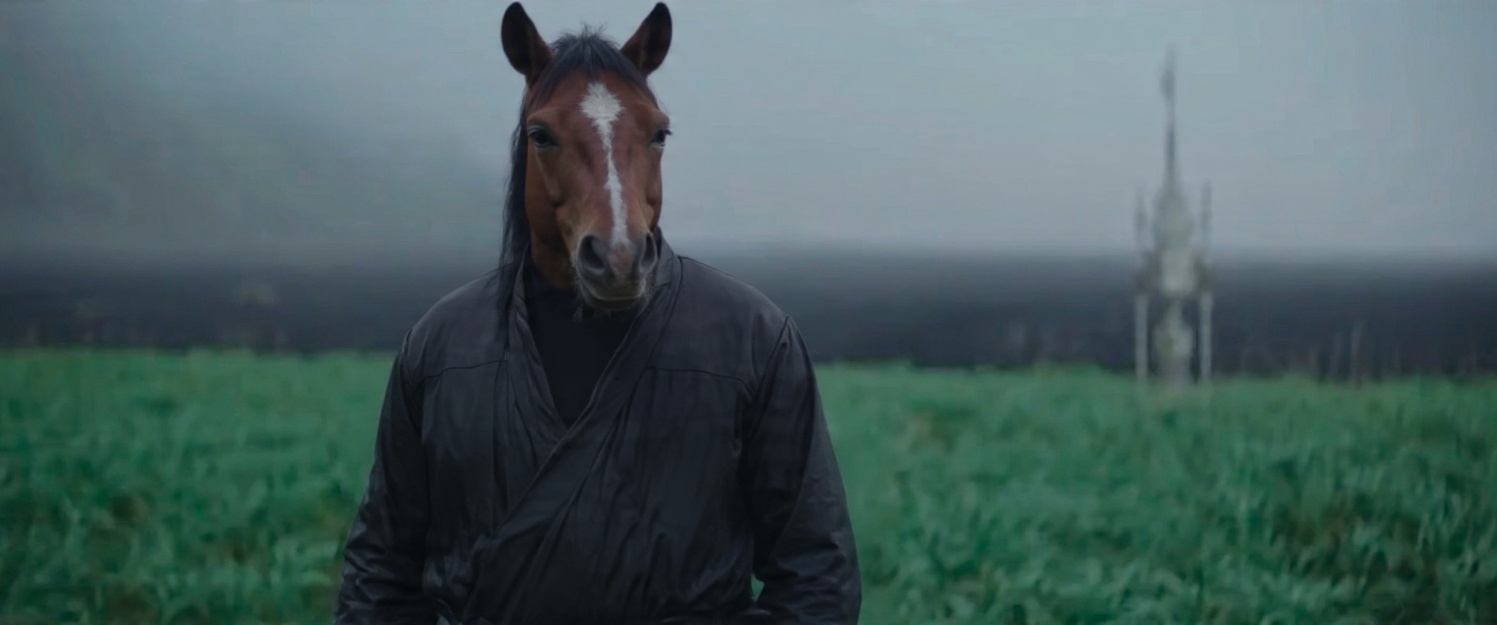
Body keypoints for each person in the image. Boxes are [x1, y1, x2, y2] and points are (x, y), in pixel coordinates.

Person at [334, 3, 861, 624]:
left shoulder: (754, 340)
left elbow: (816, 577)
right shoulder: (441, 348)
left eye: (653, 139)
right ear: (529, 151)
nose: (615, 210)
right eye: (547, 139)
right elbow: (381, 573)